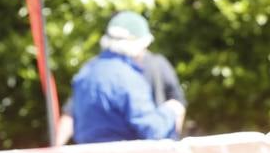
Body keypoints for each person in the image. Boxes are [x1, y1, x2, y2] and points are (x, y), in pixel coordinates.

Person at [68, 12, 184, 144]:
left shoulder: (87, 72)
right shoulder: (128, 78)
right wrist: (170, 111)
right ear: (136, 46)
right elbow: (151, 130)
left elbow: (74, 119)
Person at [54, 44, 185, 145]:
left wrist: (56, 148)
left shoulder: (89, 70)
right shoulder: (127, 75)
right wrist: (170, 112)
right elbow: (151, 128)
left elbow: (70, 114)